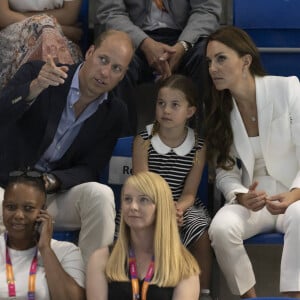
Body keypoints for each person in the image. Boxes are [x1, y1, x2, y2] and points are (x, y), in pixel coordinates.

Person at [0, 29, 135, 266]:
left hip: (53, 195)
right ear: (90, 52)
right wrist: (34, 88)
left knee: (100, 196)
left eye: (116, 69)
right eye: (103, 60)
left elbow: (90, 168)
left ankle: (88, 284)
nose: (105, 73)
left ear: (122, 76)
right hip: (7, 189)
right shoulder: (42, 74)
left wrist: (52, 181)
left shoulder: (115, 112)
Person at [205, 25, 300, 298]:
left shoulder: (287, 88)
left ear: (245, 60)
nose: (213, 68)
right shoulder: (218, 110)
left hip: (294, 194)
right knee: (220, 228)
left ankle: (295, 296)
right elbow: (224, 173)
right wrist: (240, 195)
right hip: (253, 200)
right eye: (209, 61)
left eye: (221, 58)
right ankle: (250, 298)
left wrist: (294, 194)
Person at [132, 74, 213, 299]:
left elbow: (189, 192)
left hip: (182, 205)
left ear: (190, 111)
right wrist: (162, 210)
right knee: (131, 223)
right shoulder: (143, 139)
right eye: (161, 104)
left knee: (201, 230)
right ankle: (131, 287)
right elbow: (143, 184)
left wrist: (177, 209)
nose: (166, 110)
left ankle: (204, 291)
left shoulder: (198, 145)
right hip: (148, 202)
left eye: (174, 105)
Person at [95, 0, 222, 133]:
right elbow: (111, 12)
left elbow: (207, 10)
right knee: (119, 62)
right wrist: (144, 43)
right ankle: (122, 142)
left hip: (186, 35)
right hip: (135, 36)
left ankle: (201, 141)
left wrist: (183, 45)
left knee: (206, 57)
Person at [86, 171, 200, 300]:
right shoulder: (101, 259)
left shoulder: (184, 267)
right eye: (128, 199)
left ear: (160, 208)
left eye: (143, 200)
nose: (133, 206)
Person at [0, 171, 85, 299]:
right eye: (11, 207)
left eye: (28, 208)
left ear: (43, 211)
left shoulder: (66, 251)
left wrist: (45, 249)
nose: (18, 215)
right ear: (3, 207)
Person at [0, 0, 83, 90]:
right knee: (44, 31)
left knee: (47, 35)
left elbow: (69, 15)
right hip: (14, 32)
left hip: (58, 33)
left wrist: (44, 24)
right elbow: (3, 16)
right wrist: (46, 24)